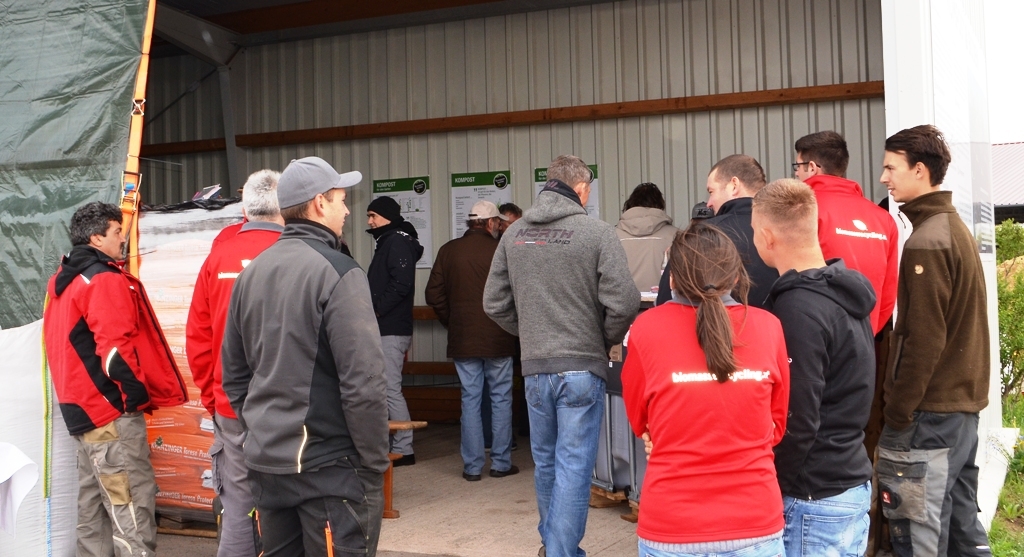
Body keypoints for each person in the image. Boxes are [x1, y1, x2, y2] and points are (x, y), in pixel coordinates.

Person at [221, 156, 389, 557]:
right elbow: (364, 381)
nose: (348, 210)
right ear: (318, 204)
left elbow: (233, 374)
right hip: (329, 468)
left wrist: (261, 430)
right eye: (341, 200)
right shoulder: (340, 272)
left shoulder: (252, 273)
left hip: (268, 467)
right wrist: (374, 460)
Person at [484, 155, 639, 557]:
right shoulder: (597, 233)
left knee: (547, 463)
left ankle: (552, 546)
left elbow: (493, 303)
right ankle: (560, 552)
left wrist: (534, 334)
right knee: (573, 466)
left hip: (536, 370)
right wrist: (599, 339)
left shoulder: (513, 234)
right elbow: (624, 301)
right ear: (582, 189)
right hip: (582, 370)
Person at [621, 222, 790, 557]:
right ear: (737, 278)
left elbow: (639, 421)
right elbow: (777, 425)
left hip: (672, 525)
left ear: (671, 280)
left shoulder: (646, 329)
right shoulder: (768, 327)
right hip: (754, 522)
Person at [43, 201, 188, 556]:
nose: (122, 238)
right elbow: (115, 349)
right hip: (109, 412)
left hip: (80, 409)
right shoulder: (103, 279)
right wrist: (132, 399)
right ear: (97, 237)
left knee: (92, 508)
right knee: (131, 505)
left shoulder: (62, 281)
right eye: (117, 231)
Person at [877, 125, 991, 556]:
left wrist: (899, 411)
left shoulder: (928, 241)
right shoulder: (952, 228)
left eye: (891, 167)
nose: (885, 178)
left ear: (919, 170)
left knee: (918, 533)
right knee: (963, 530)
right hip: (959, 412)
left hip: (930, 415)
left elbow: (924, 339)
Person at [751, 179, 876, 556]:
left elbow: (797, 416)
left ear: (768, 237)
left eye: (755, 232)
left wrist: (773, 485)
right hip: (849, 483)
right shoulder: (845, 294)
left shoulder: (798, 310)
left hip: (812, 498)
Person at [186, 169, 283, 557]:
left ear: (243, 207)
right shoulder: (305, 253)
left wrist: (215, 398)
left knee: (240, 504)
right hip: (293, 408)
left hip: (231, 406)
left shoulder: (219, 253)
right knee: (297, 505)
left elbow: (198, 337)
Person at [425, 200, 519, 481]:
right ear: (491, 223)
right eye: (498, 223)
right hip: (499, 338)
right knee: (501, 399)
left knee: (470, 399)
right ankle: (501, 463)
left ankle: (472, 466)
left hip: (464, 339)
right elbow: (518, 292)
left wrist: (452, 321)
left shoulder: (448, 251)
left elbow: (434, 295)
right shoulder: (502, 251)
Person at [794, 131, 898, 334]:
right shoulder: (882, 218)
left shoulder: (801, 210)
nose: (796, 174)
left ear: (813, 167)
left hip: (813, 338)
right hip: (865, 342)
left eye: (798, 167)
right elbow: (888, 294)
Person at [655, 155, 778, 307]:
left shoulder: (700, 235)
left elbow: (667, 302)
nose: (709, 204)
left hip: (707, 329)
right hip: (772, 329)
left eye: (711, 191)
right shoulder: (786, 231)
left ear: (734, 185)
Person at [366, 195, 424, 466]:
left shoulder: (396, 242)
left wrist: (375, 309)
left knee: (390, 388)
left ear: (387, 217)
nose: (369, 221)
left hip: (389, 327)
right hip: (387, 326)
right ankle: (397, 443)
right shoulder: (389, 241)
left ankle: (404, 447)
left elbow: (401, 284)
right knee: (386, 387)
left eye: (373, 216)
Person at [615, 182, 680, 294]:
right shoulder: (677, 236)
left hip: (623, 309)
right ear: (660, 206)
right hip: (662, 308)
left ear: (630, 205)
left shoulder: (611, 236)